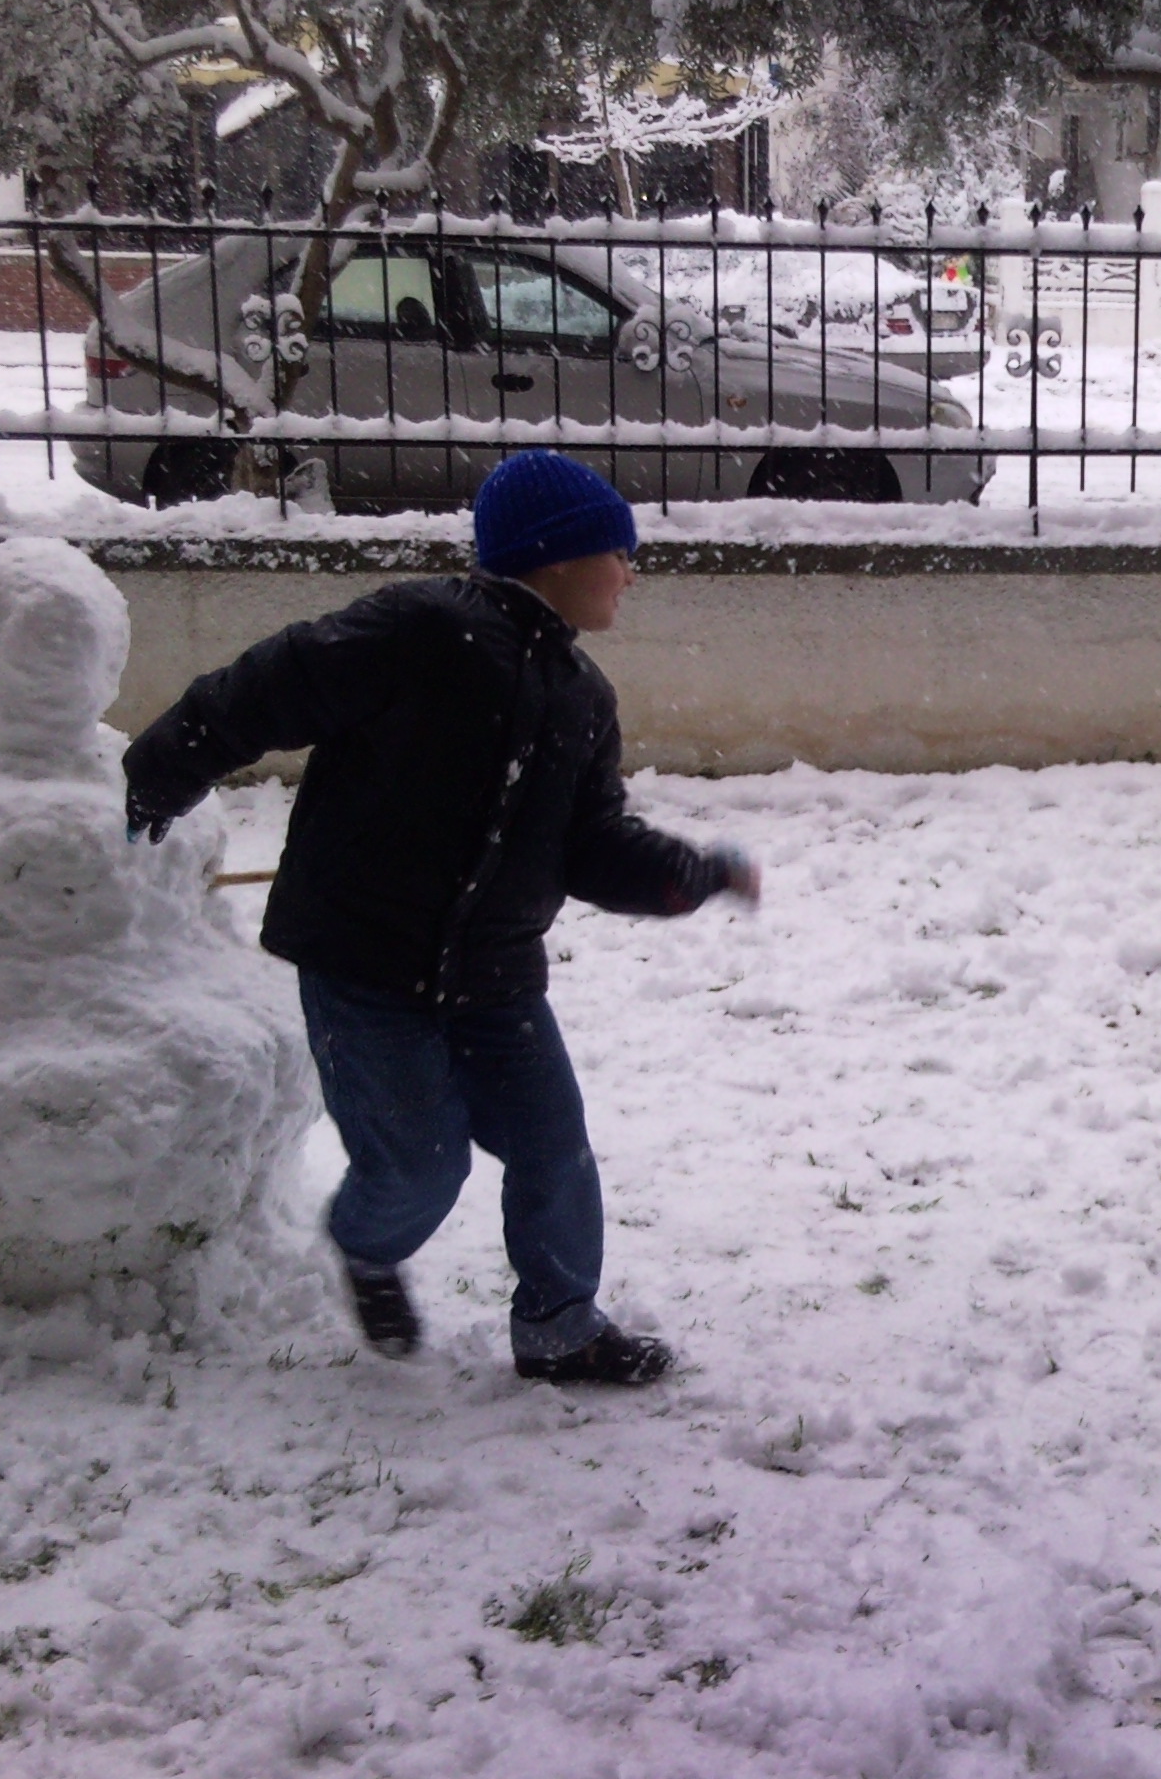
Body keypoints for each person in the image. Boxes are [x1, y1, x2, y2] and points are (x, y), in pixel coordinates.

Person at [122, 451, 758, 1381]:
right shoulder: (422, 630)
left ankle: (561, 1327)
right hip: (364, 965)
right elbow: (268, 686)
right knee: (420, 1167)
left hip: (495, 974)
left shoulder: (583, 697)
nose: (631, 573)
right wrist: (163, 769)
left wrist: (688, 875)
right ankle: (366, 1245)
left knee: (553, 1148)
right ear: (557, 556)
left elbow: (591, 843)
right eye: (618, 552)